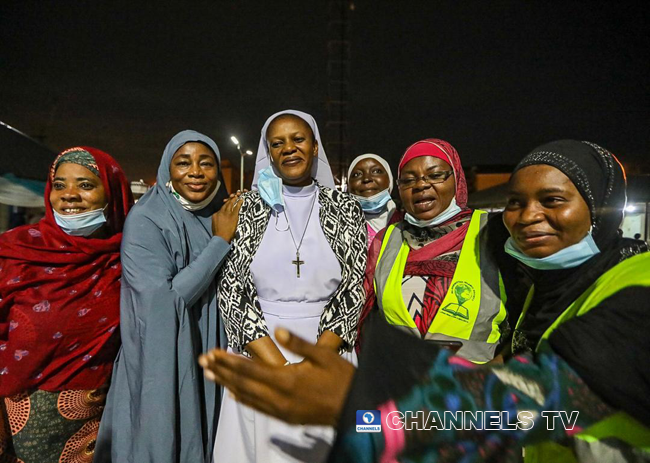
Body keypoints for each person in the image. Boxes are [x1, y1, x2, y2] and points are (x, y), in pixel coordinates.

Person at [200, 139, 650, 462]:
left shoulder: (635, 287)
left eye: (553, 200)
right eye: (515, 202)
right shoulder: (544, 284)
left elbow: (553, 400)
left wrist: (365, 409)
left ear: (602, 205)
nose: (529, 216)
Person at [213, 109, 367, 463]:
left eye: (298, 139)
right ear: (268, 152)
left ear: (315, 147)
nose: (289, 149)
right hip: (261, 353)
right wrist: (281, 370)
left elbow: (351, 290)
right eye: (277, 143)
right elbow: (234, 293)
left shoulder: (345, 208)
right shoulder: (248, 207)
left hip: (327, 350)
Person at [94, 131, 241, 463]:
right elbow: (164, 301)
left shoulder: (223, 212)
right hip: (166, 356)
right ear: (167, 169)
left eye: (206, 163)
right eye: (183, 163)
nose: (195, 172)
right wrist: (220, 243)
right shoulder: (147, 219)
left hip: (216, 352)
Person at [0, 147, 133, 463]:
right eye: (60, 185)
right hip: (9, 420)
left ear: (112, 195)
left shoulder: (127, 261)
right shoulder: (15, 252)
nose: (69, 195)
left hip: (88, 430)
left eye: (86, 185)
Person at [359, 139, 508, 363]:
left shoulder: (493, 233)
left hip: (473, 385)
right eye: (409, 180)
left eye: (435, 175)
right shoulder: (386, 239)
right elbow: (368, 317)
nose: (421, 185)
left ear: (457, 179)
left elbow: (528, 318)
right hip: (402, 384)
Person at [346, 153, 400, 247]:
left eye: (376, 171)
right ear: (348, 185)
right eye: (357, 174)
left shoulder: (406, 223)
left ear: (390, 180)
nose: (367, 179)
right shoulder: (340, 227)